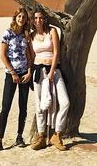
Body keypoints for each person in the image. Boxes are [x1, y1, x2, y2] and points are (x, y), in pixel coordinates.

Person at [0, 8, 33, 151]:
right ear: (15, 17)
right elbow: (3, 55)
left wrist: (29, 72)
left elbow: (29, 56)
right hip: (11, 75)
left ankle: (19, 136)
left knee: (23, 107)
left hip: (24, 75)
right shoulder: (8, 33)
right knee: (6, 107)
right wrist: (13, 72)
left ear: (27, 20)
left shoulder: (26, 35)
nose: (21, 19)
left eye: (24, 17)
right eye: (19, 16)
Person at [29, 10, 70, 150]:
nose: (38, 20)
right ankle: (41, 136)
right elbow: (30, 56)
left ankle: (56, 134)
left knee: (65, 102)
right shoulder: (31, 35)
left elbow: (57, 53)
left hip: (54, 71)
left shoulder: (52, 31)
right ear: (33, 21)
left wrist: (52, 72)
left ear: (44, 19)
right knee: (39, 105)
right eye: (35, 18)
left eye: (41, 18)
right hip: (38, 73)